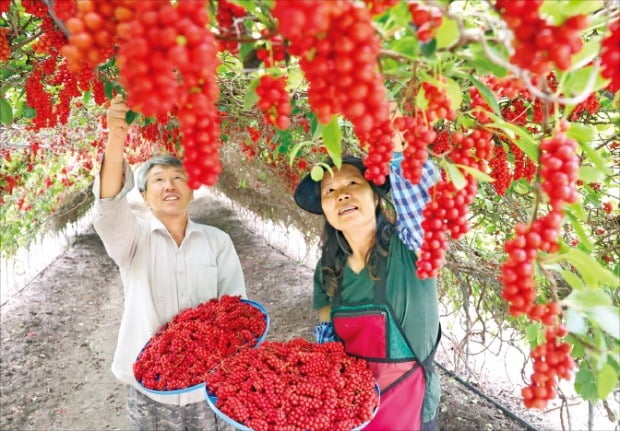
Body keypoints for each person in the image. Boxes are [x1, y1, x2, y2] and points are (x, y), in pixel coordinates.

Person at [92, 95, 245, 430]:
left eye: (178, 178)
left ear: (192, 191)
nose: (169, 185)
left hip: (208, 389)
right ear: (144, 197)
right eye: (158, 180)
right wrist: (116, 138)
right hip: (149, 392)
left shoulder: (217, 243)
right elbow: (108, 205)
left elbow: (237, 311)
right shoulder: (132, 241)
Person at [293, 137, 442, 430]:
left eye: (352, 184)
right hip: (354, 414)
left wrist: (399, 147)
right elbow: (329, 345)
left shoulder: (410, 248)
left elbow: (423, 202)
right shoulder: (327, 269)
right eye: (330, 191)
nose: (341, 195)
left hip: (411, 413)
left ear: (375, 197)